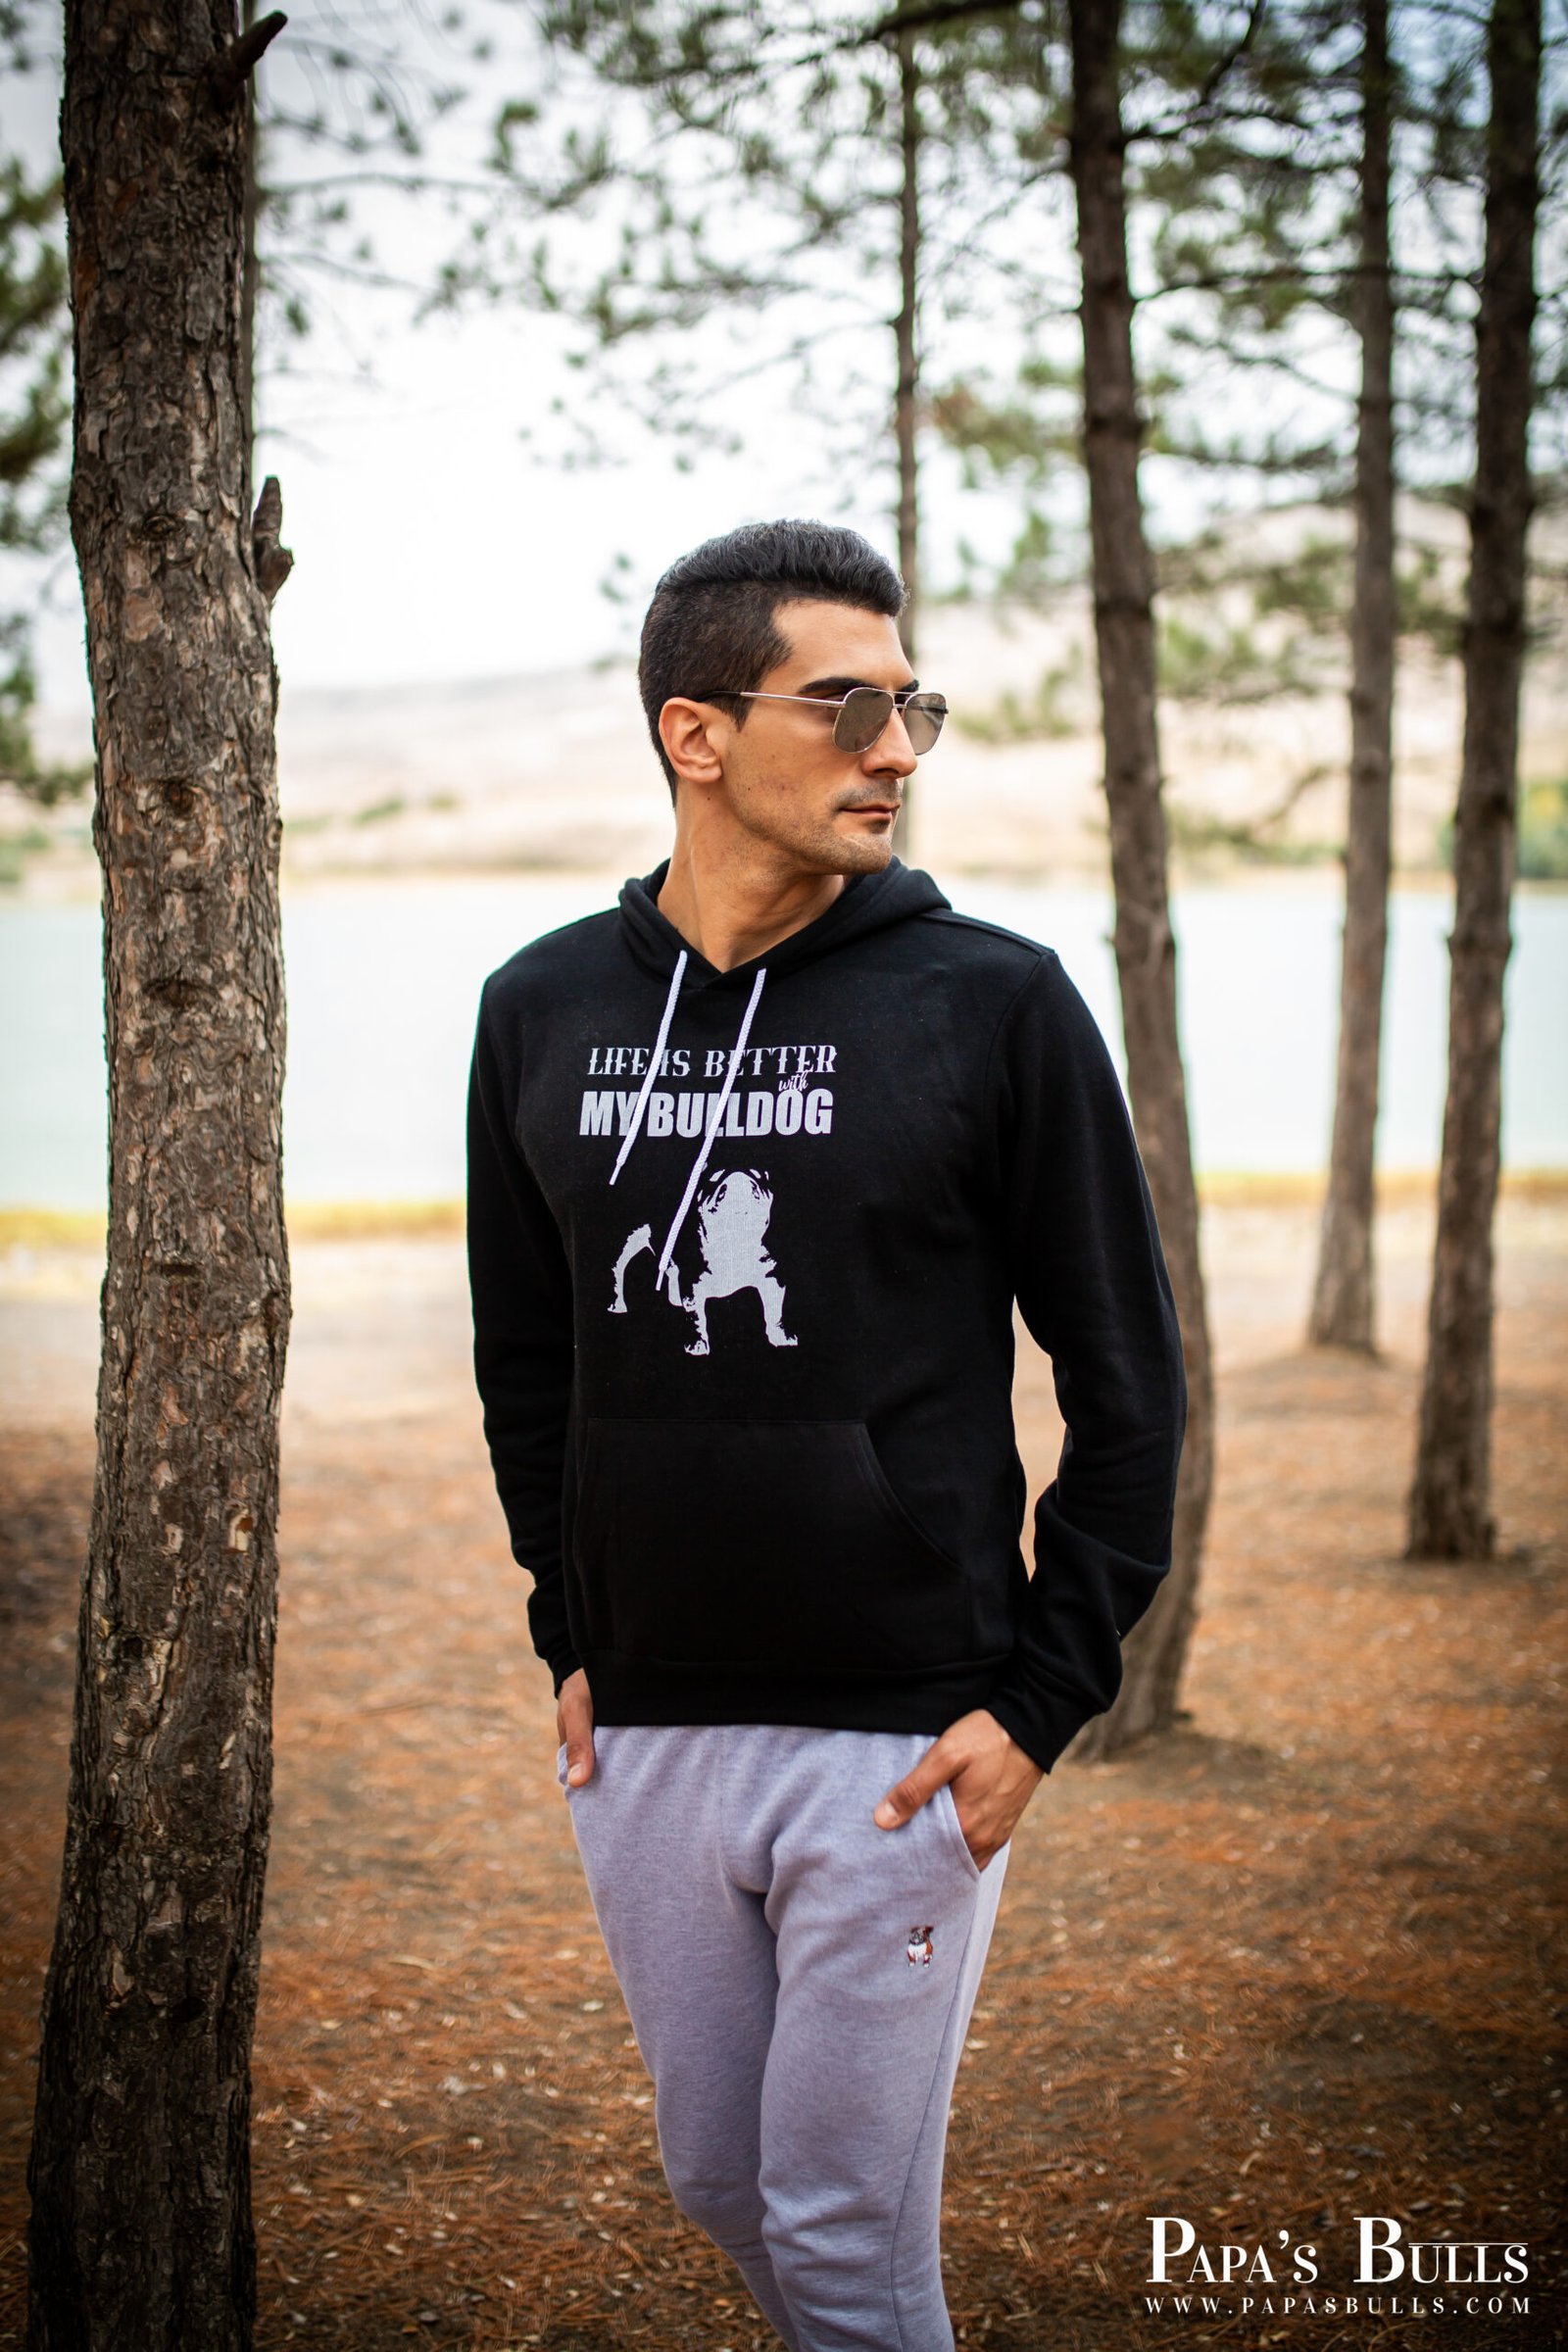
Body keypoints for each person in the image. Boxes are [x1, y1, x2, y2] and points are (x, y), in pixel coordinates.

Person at [466, 518, 1187, 2352]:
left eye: (912, 707)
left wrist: (1043, 1700)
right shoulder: (541, 1009)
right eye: (847, 706)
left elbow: (1126, 1379)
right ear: (695, 734)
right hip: (645, 1726)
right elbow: (529, 1359)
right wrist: (570, 1631)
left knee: (843, 2230)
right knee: (723, 2181)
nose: (896, 750)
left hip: (903, 1738)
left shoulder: (993, 1002)